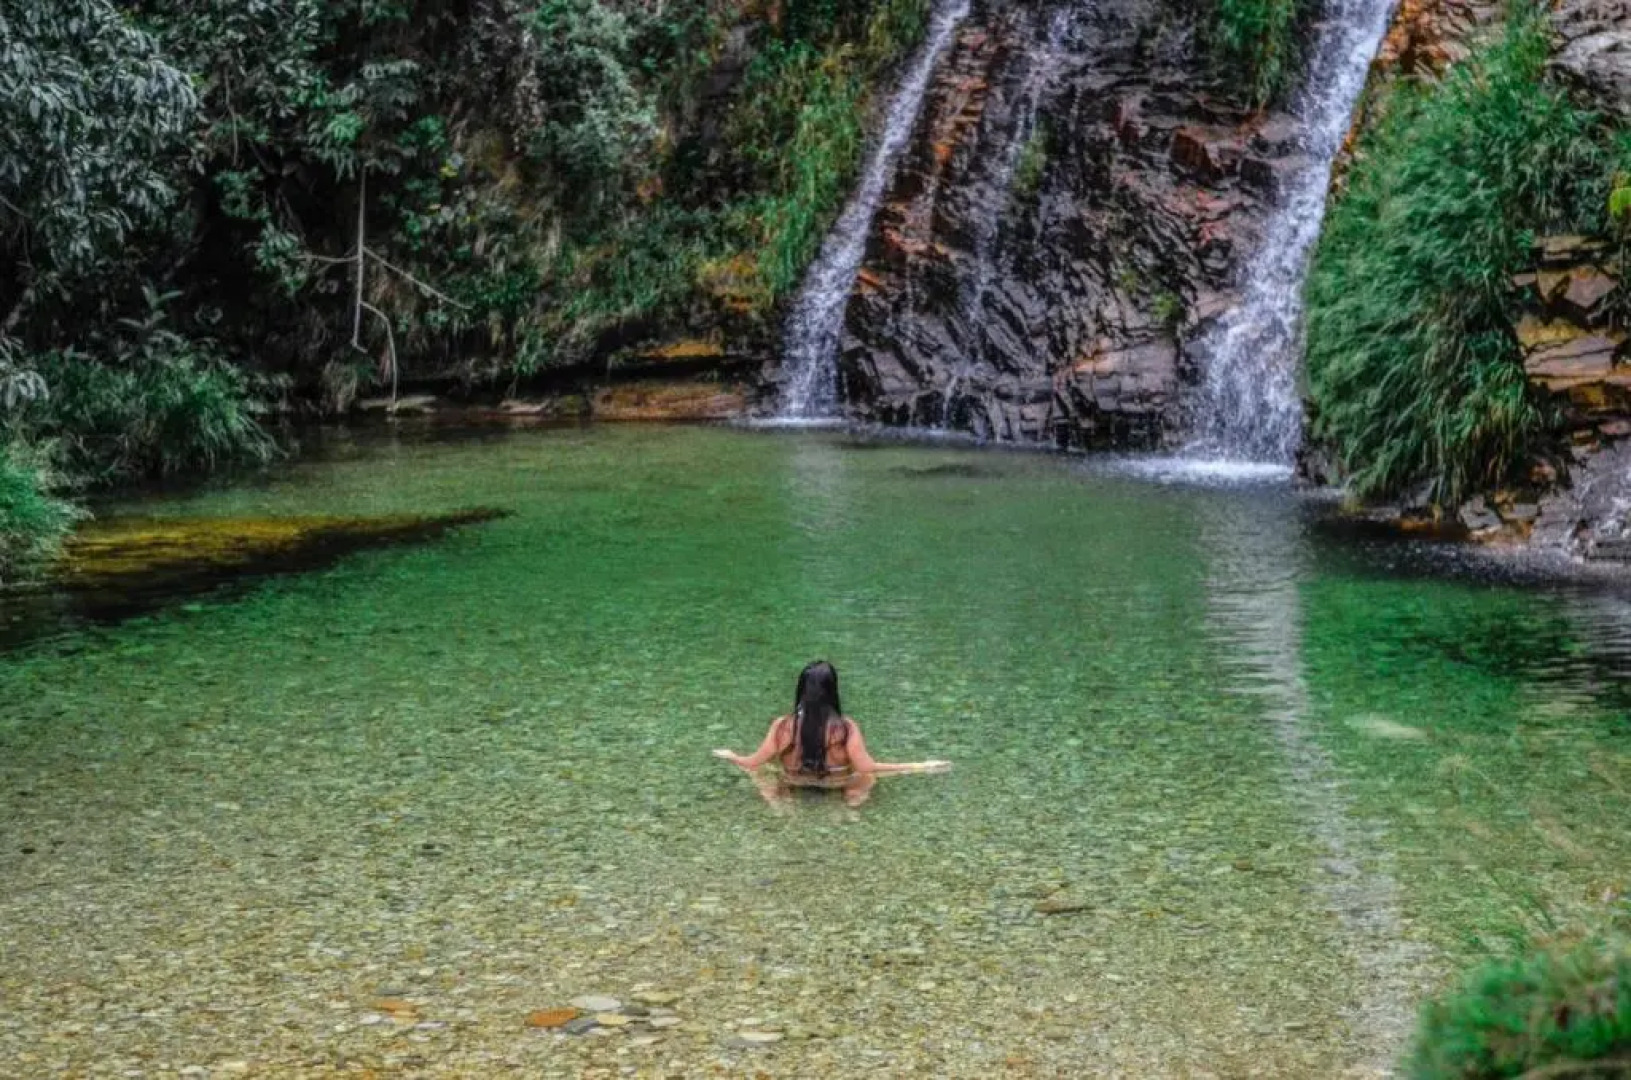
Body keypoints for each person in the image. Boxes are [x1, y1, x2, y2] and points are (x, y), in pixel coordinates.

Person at [712, 661, 949, 806]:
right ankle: (853, 803)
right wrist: (920, 765)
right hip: (836, 783)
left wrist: (730, 755)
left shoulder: (783, 725)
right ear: (832, 691)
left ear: (801, 690)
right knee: (866, 778)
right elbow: (867, 767)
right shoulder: (845, 728)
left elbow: (751, 763)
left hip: (794, 780)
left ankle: (777, 803)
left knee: (762, 773)